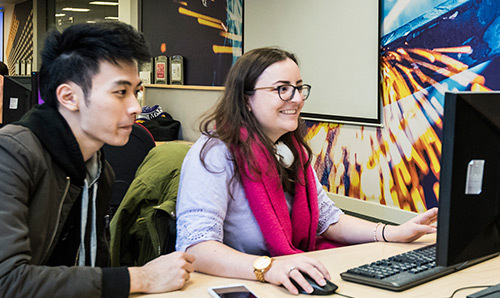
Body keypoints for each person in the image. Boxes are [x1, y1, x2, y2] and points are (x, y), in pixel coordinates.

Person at [175, 47, 438, 295]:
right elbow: (197, 247)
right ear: (247, 99)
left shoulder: (291, 151)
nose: (298, 99)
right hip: (244, 284)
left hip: (286, 275)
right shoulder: (215, 153)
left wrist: (389, 232)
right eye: (283, 89)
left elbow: (327, 220)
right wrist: (268, 267)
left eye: (299, 88)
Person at [0, 22, 194, 298]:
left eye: (136, 91)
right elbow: (7, 282)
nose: (136, 108)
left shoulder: (98, 169)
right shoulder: (11, 154)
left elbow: (90, 267)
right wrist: (140, 277)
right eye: (120, 92)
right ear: (69, 97)